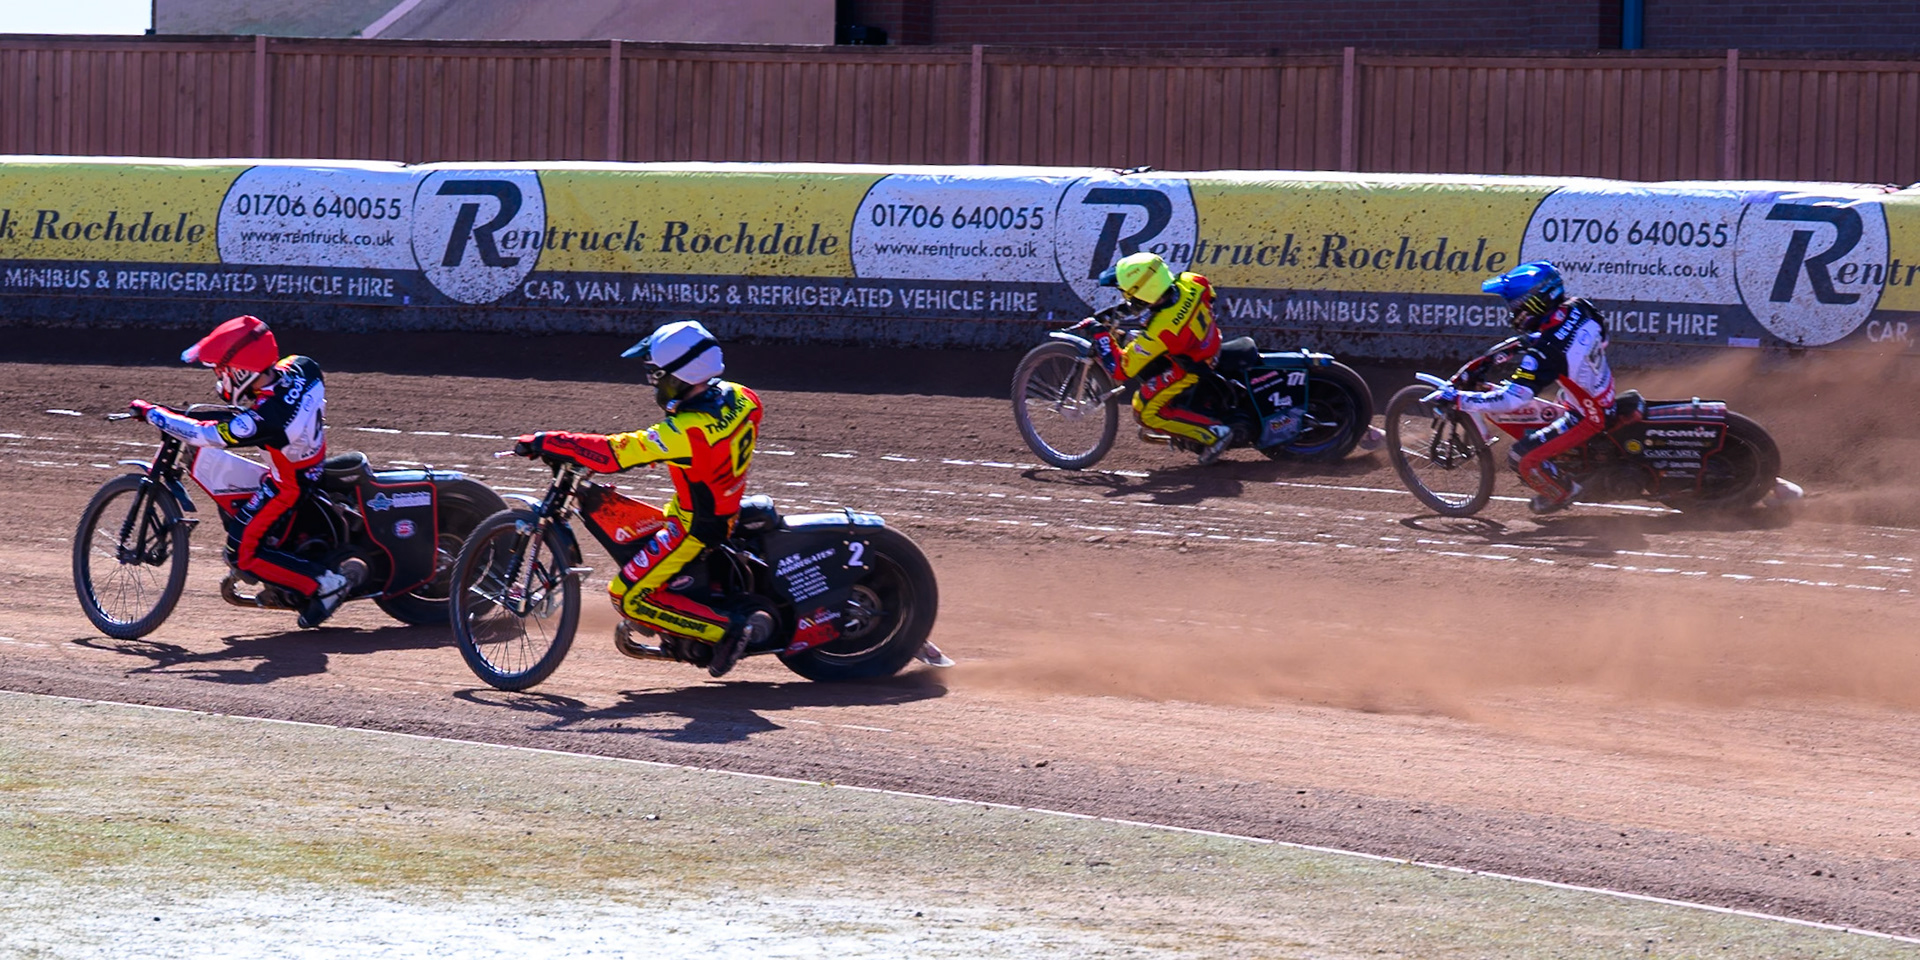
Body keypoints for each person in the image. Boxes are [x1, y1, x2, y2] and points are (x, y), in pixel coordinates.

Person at [511, 320, 770, 677]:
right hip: (721, 505)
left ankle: (726, 629)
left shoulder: (685, 432)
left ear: (680, 374)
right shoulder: (744, 397)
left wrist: (547, 440)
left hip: (695, 527)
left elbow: (615, 453)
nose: (652, 380)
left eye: (656, 373)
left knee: (626, 596)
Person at [129, 315, 365, 628]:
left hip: (289, 486)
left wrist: (153, 413)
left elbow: (206, 436)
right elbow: (262, 404)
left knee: (240, 552)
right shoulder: (302, 365)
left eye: (221, 371)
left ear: (241, 372)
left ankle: (324, 584)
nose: (218, 378)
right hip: (308, 460)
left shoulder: (266, 420)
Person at [1428, 260, 1616, 515]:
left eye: (1515, 304)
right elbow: (1603, 337)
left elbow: (1512, 400)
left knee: (1521, 458)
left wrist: (1459, 399)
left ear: (1534, 303)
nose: (1512, 311)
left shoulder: (1544, 353)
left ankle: (1564, 492)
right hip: (1598, 396)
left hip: (1587, 416)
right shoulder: (1578, 307)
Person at [1079, 251, 1231, 464]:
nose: (1126, 297)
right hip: (1209, 341)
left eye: (1128, 293)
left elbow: (1121, 369)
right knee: (1134, 340)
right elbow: (1210, 295)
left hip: (1192, 366)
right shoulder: (1192, 280)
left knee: (1144, 412)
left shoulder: (1161, 330)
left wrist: (1101, 335)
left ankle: (1213, 434)